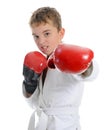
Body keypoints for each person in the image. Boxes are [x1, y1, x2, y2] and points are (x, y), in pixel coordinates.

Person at [22, 6, 98, 130]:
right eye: (36, 36)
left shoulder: (67, 56)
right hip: (41, 124)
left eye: (47, 33)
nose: (41, 41)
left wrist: (88, 66)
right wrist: (29, 84)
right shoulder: (42, 61)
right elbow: (36, 104)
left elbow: (92, 74)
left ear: (61, 33)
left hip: (65, 125)